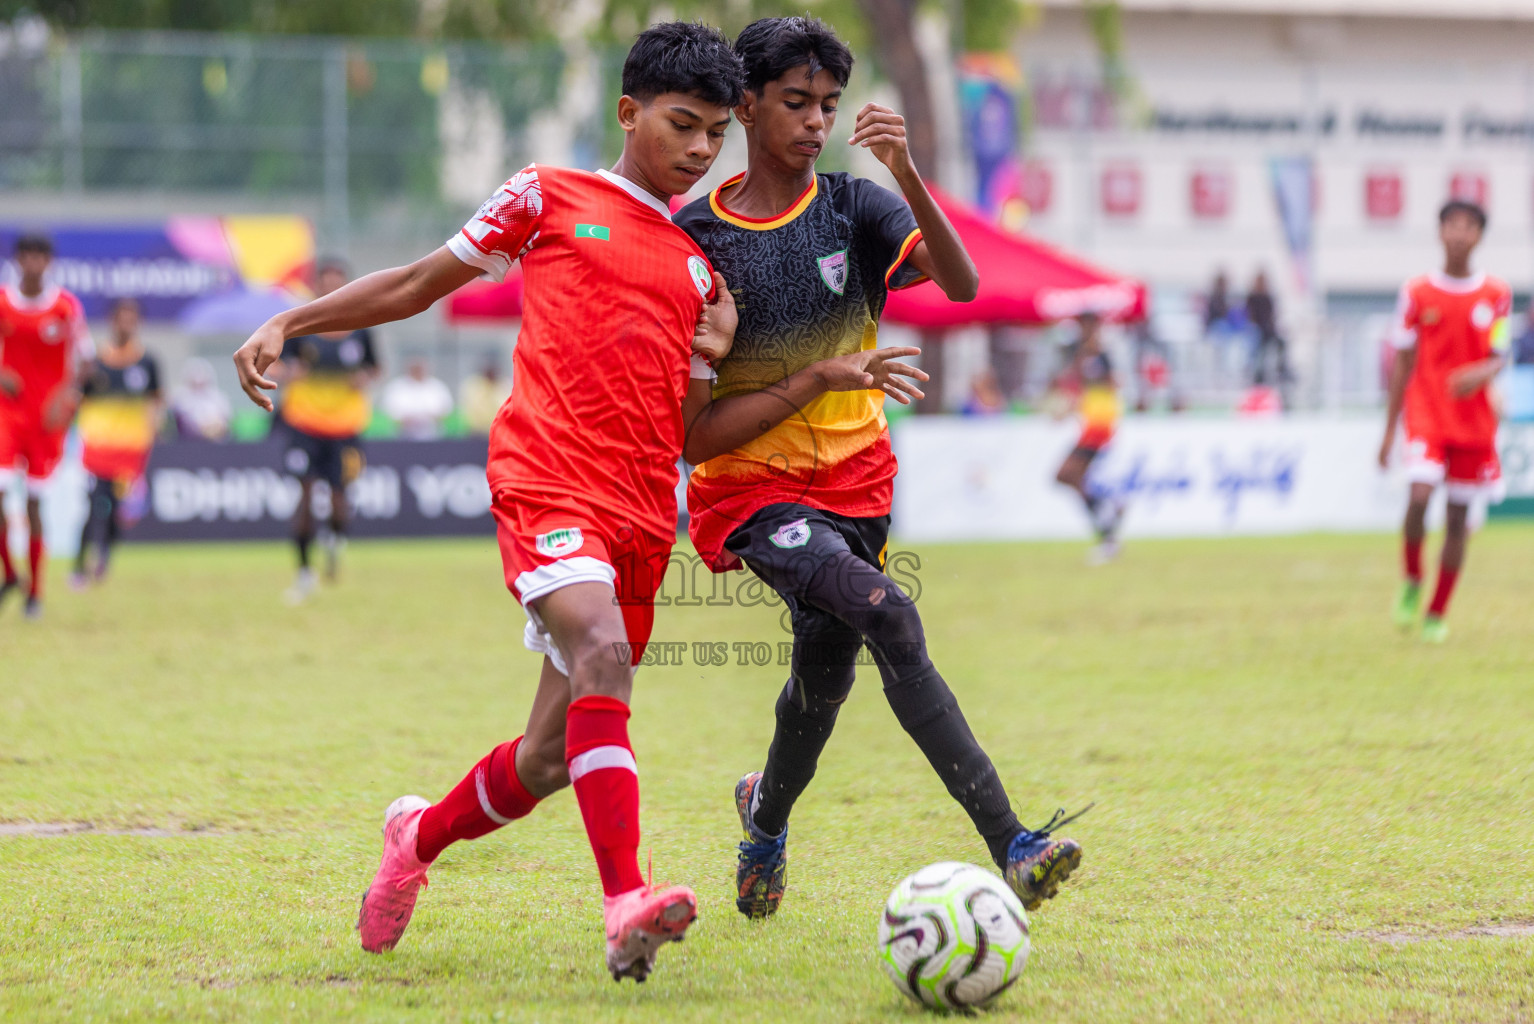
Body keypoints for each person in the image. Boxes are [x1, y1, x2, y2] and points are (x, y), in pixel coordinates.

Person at [233, 22, 923, 983]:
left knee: (552, 754)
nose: (698, 150)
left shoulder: (697, 264)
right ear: (628, 111)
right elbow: (419, 285)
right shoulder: (548, 197)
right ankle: (625, 901)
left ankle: (416, 838)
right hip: (548, 479)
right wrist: (289, 320)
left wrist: (711, 355)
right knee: (601, 650)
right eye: (682, 125)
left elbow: (687, 429)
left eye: (716, 134)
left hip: (644, 510)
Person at [674, 16, 1086, 923]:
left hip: (860, 486)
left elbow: (964, 284)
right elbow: (696, 440)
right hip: (752, 495)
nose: (817, 121)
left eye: (828, 104)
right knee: (887, 611)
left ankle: (764, 820)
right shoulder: (693, 237)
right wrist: (816, 374)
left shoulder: (857, 207)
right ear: (745, 104)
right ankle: (1014, 845)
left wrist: (904, 171)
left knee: (821, 688)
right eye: (795, 103)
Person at [1379, 200, 1510, 644]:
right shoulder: (1417, 293)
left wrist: (1482, 373)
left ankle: (1437, 612)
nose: (1458, 233)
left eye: (1468, 226)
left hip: (1473, 423)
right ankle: (1413, 578)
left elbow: (1501, 354)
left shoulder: (1496, 294)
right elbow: (1402, 362)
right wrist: (1387, 431)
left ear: (1478, 235)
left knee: (1457, 520)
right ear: (1439, 232)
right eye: (1451, 224)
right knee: (1419, 495)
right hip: (1427, 413)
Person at [271, 259, 380, 600]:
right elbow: (273, 363)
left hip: (345, 427)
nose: (332, 287)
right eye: (326, 281)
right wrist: (289, 372)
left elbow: (375, 368)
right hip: (304, 425)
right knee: (304, 497)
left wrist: (364, 378)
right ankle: (304, 573)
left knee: (338, 501)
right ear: (315, 285)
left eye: (338, 281)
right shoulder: (300, 323)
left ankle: (334, 541)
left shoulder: (361, 326)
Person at [0, 234, 93, 619]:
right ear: (19, 259)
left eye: (40, 255)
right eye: (27, 255)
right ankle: (10, 573)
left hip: (46, 420)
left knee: (34, 503)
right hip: (7, 413)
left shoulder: (66, 307)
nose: (33, 262)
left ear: (48, 261)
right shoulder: (4, 301)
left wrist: (65, 399)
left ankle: (35, 592)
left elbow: (86, 363)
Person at [72, 298, 162, 587]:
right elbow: (76, 397)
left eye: (132, 318)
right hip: (98, 446)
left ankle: (105, 557)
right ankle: (79, 566)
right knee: (94, 504)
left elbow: (156, 401)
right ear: (112, 321)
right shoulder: (95, 362)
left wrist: (152, 432)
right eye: (122, 318)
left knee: (115, 509)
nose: (126, 324)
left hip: (130, 449)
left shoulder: (148, 362)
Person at [1051, 313, 1125, 564]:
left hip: (1099, 425)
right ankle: (1109, 514)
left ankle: (1108, 524)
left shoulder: (1100, 356)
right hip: (1091, 424)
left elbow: (1113, 385)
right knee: (1070, 477)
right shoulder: (1084, 356)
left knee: (1065, 474)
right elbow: (1080, 388)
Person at [1245, 270, 1292, 404]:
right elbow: (1250, 316)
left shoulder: (1268, 297)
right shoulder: (1251, 297)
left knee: (1281, 342)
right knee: (1259, 344)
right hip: (1257, 331)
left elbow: (1272, 316)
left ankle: (1282, 368)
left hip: (1268, 330)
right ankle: (1258, 375)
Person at [380, 358, 454, 440]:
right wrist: (406, 419)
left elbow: (446, 409)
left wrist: (429, 418)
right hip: (403, 433)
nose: (418, 371)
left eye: (420, 368)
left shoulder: (437, 386)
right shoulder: (396, 386)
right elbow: (389, 409)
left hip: (432, 432)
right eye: (416, 368)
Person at [170, 358, 231, 440]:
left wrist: (214, 427)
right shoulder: (180, 397)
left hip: (216, 441)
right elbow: (182, 420)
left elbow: (225, 418)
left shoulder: (218, 397)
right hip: (188, 442)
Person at [459, 355, 512, 436]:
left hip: (500, 431)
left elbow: (506, 408)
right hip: (477, 433)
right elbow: (475, 410)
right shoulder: (475, 384)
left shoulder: (503, 385)